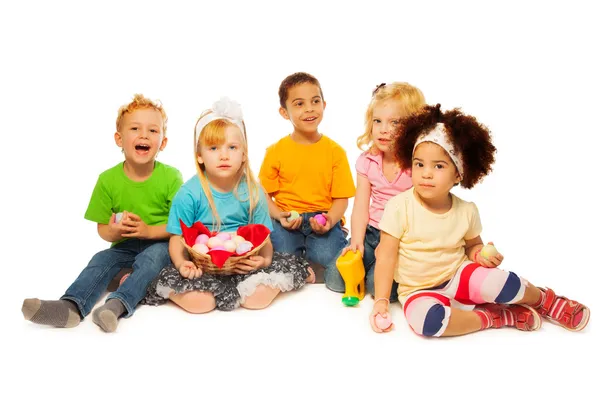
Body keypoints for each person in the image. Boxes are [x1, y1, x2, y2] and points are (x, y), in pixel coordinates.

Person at [370, 104, 590, 336]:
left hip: (459, 275)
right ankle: (495, 316)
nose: (426, 173)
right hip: (418, 290)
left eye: (439, 166)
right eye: (419, 164)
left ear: (458, 174)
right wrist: (381, 300)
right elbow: (385, 256)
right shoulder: (399, 207)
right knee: (429, 323)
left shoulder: (466, 211)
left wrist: (481, 254)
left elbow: (472, 245)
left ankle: (545, 300)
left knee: (504, 283)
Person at [22, 93, 183, 332]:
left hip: (161, 244)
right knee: (100, 259)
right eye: (135, 128)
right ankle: (71, 306)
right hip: (125, 246)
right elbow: (103, 230)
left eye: (152, 130)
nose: (143, 135)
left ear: (163, 142)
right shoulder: (107, 180)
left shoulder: (171, 177)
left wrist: (149, 231)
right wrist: (114, 231)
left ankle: (116, 305)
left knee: (151, 259)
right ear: (119, 139)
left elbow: (181, 225)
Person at [143, 97, 312, 312]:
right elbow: (177, 237)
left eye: (232, 147)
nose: (223, 155)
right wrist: (181, 264)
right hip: (202, 265)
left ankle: (287, 276)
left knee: (257, 299)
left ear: (243, 155)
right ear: (200, 156)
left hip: (243, 263)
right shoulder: (189, 194)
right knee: (200, 304)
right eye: (213, 148)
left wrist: (264, 260)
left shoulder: (253, 191)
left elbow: (264, 238)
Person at [259, 72, 355, 292]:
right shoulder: (276, 151)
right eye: (299, 104)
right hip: (286, 217)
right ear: (285, 112)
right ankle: (302, 264)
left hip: (322, 217)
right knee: (277, 251)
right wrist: (279, 216)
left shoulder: (335, 152)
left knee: (329, 254)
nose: (310, 109)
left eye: (315, 101)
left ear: (324, 104)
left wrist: (330, 220)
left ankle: (312, 258)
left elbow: (341, 198)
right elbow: (263, 194)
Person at [341, 82, 425, 301]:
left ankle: (380, 275)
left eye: (394, 122)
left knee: (376, 288)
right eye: (377, 121)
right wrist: (356, 241)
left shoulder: (416, 164)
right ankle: (369, 266)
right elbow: (360, 206)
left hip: (401, 239)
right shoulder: (367, 161)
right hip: (371, 233)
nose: (383, 129)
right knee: (335, 278)